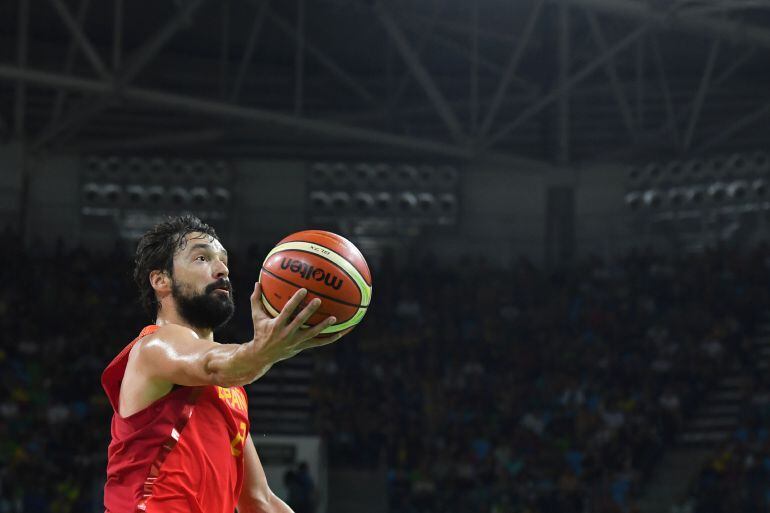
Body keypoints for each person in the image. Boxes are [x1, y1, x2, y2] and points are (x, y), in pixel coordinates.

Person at [102, 215, 348, 513]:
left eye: (224, 260)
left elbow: (259, 501)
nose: (222, 270)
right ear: (161, 280)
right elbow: (213, 364)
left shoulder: (230, 391)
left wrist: (261, 353)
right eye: (202, 258)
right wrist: (263, 350)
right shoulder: (153, 348)